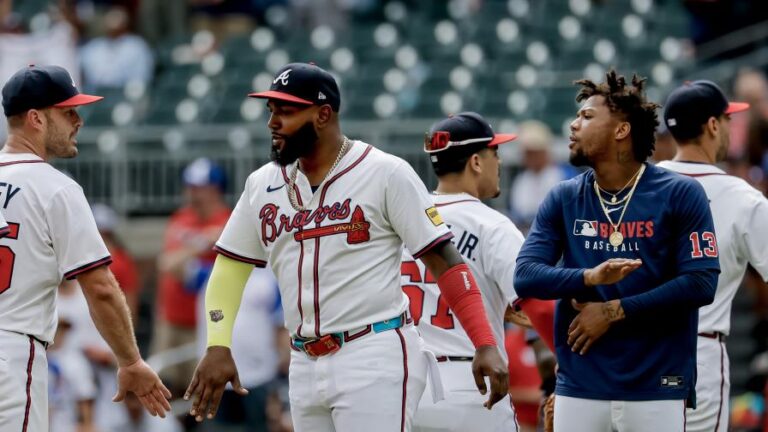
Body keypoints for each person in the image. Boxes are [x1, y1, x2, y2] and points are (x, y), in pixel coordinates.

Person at [184, 62, 509, 431]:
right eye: (271, 111)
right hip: (303, 360)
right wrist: (217, 343)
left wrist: (484, 341)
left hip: (372, 351)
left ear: (323, 115)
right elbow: (228, 270)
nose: (273, 122)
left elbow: (444, 260)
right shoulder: (262, 184)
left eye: (286, 112)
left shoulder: (385, 172)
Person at [513, 69, 720, 432]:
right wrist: (588, 277)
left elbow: (701, 282)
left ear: (621, 130)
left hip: (658, 383)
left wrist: (613, 311)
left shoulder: (680, 193)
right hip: (581, 384)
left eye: (587, 116)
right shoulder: (564, 196)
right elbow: (526, 275)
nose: (574, 125)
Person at [0, 64, 171, 431]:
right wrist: (130, 361)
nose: (78, 120)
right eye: (68, 111)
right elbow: (101, 289)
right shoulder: (55, 188)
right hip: (11, 355)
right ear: (36, 119)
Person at [400, 112, 555, 432]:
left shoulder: (402, 221)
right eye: (494, 153)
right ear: (476, 162)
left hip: (404, 387)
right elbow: (539, 305)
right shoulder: (492, 225)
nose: (499, 161)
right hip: (473, 382)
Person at [656, 80, 768, 431]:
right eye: (727, 120)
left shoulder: (635, 188)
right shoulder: (743, 198)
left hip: (635, 354)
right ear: (713, 126)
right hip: (697, 354)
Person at [153, 157, 231, 397]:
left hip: (204, 324)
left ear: (215, 189)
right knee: (165, 384)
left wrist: (192, 255)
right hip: (170, 317)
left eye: (199, 188)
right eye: (190, 187)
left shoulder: (227, 221)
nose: (193, 194)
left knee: (199, 388)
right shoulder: (181, 218)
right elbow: (168, 264)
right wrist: (201, 243)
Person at [508, 120, 576, 232]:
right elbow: (517, 214)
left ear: (544, 151)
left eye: (533, 152)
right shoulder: (521, 179)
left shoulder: (565, 176)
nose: (529, 157)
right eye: (527, 153)